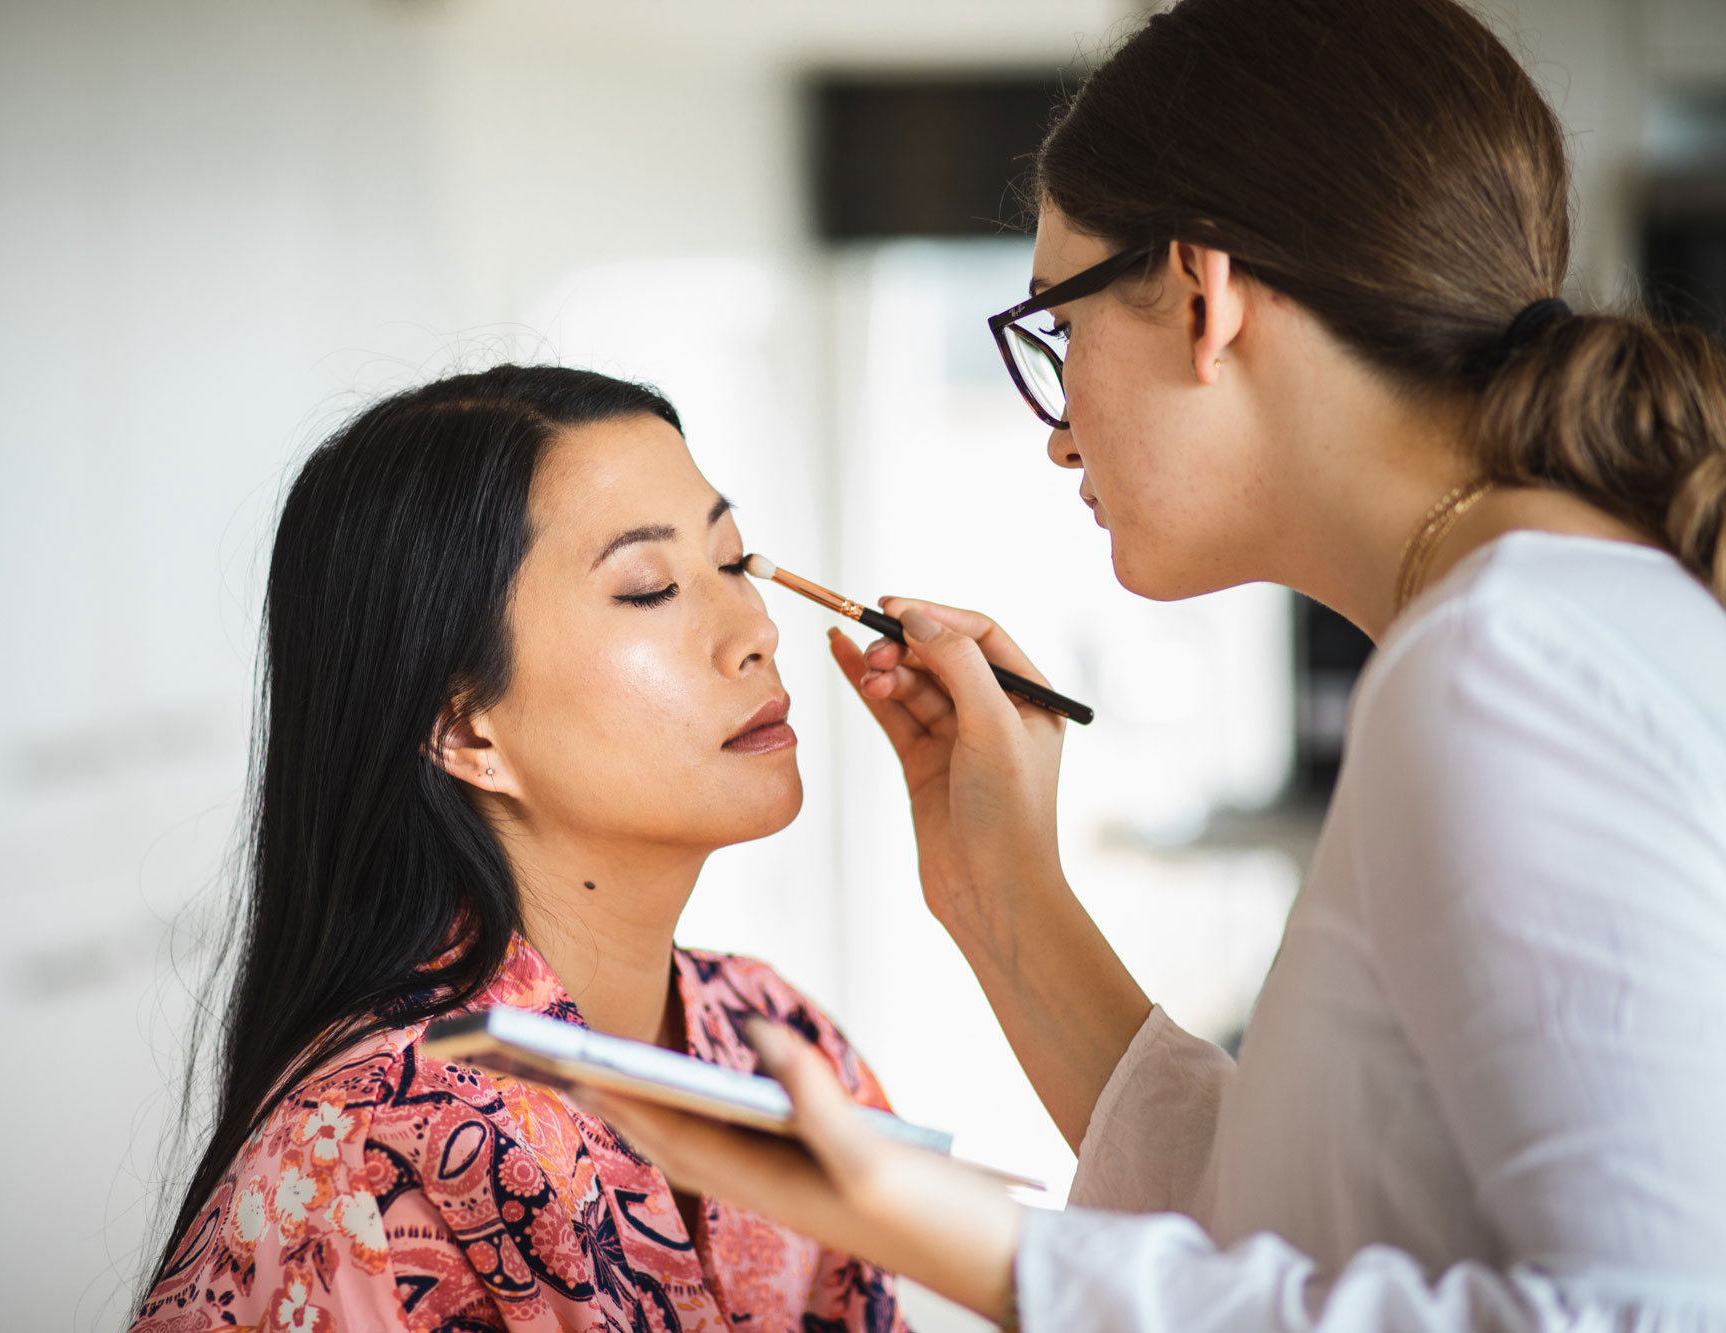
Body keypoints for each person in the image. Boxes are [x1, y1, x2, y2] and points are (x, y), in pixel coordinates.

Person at [581, 0, 1726, 1327]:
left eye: (1059, 335)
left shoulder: (1503, 664)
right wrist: (1000, 891)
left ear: (1203, 295)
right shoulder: (1515, 629)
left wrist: (978, 1244)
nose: (1060, 438)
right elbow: (1314, 1222)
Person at [130, 366, 908, 1333]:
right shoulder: (368, 1164)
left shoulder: (778, 1039)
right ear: (466, 730)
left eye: (736, 563)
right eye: (650, 588)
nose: (756, 631)